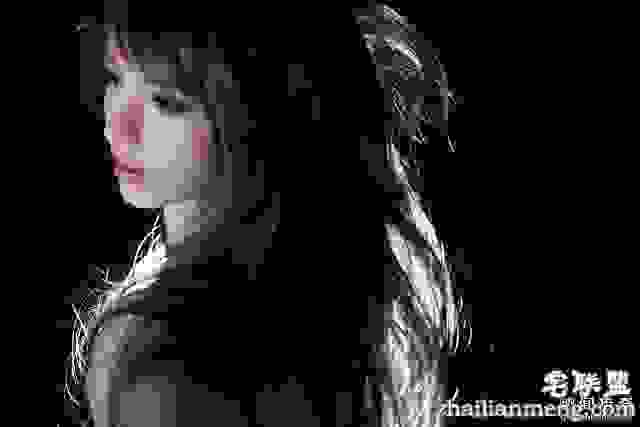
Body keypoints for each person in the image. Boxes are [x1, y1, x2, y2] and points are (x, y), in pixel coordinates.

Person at [68, 3, 468, 426]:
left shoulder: (156, 359)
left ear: (257, 112)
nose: (119, 126)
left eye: (166, 101)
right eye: (114, 78)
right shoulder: (329, 306)